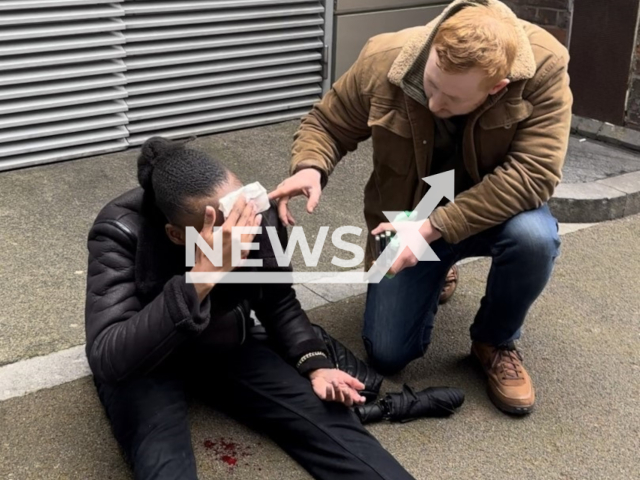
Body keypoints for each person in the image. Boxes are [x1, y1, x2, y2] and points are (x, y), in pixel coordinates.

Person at [269, 0, 572, 415]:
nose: (433, 104)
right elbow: (327, 124)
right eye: (430, 85)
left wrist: (434, 227)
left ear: (496, 87)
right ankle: (438, 267)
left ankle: (494, 340)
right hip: (406, 215)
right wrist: (311, 167)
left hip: (491, 214)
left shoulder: (545, 67)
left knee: (535, 238)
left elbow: (533, 174)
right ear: (432, 51)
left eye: (451, 99)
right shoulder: (386, 58)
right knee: (387, 354)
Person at [84, 137, 416, 480]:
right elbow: (109, 355)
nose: (245, 229)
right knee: (164, 463)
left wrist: (315, 364)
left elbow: (278, 301)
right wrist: (201, 277)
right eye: (226, 227)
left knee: (332, 425)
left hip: (223, 343)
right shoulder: (120, 229)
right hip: (148, 360)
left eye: (246, 211)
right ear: (176, 234)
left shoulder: (253, 212)